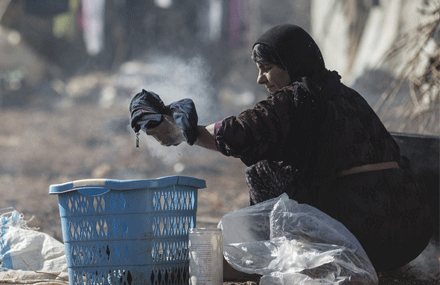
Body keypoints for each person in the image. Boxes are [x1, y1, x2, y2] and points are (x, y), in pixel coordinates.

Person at [134, 24, 433, 273]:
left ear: (290, 64)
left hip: (362, 236)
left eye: (266, 68)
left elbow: (239, 134)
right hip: (412, 234)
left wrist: (184, 132)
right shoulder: (346, 94)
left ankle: (296, 258)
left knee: (265, 173)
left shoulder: (297, 98)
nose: (260, 79)